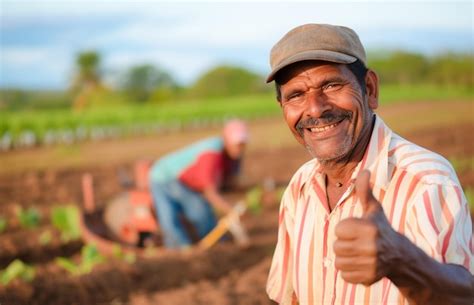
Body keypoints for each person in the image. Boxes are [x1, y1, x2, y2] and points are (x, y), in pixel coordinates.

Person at [265, 24, 473, 305]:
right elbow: (289, 298)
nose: (315, 108)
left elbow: (465, 296)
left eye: (331, 85)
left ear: (370, 89)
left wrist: (404, 262)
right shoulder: (299, 187)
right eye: (296, 95)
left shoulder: (426, 181)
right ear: (283, 108)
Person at [149, 119, 248, 249]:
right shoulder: (211, 153)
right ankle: (182, 251)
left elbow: (229, 184)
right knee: (182, 215)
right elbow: (210, 192)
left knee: (199, 210)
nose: (239, 148)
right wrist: (230, 210)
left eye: (242, 144)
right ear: (226, 140)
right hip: (165, 176)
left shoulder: (233, 158)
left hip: (188, 182)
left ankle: (216, 245)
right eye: (236, 144)